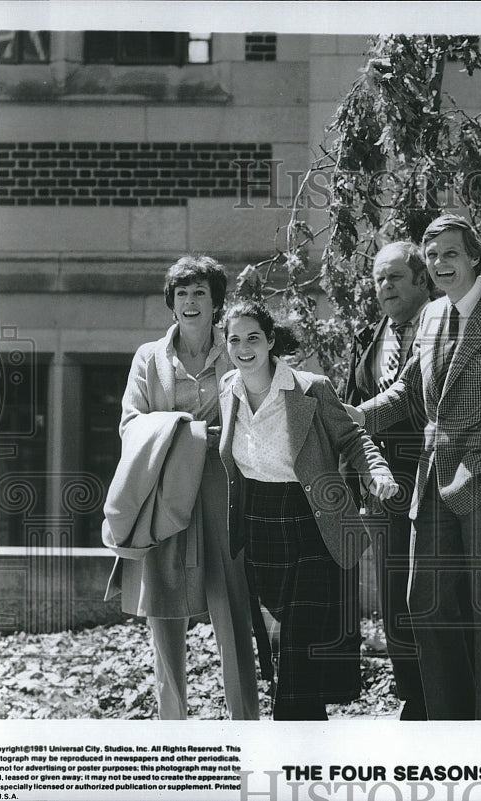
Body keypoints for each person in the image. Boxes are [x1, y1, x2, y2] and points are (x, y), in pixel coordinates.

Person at [349, 213, 481, 720]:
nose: (440, 263)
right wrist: (357, 414)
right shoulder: (433, 316)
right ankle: (447, 721)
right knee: (426, 603)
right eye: (434, 255)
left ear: (474, 257)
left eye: (450, 254)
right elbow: (407, 391)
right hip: (434, 476)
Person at [219, 299, 399, 720]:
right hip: (260, 524)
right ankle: (311, 747)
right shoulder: (229, 388)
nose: (244, 348)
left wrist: (377, 473)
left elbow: (353, 437)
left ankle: (286, 743)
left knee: (300, 639)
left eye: (253, 338)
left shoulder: (309, 387)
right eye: (234, 339)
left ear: (270, 341)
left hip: (315, 520)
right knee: (295, 644)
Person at [107, 254, 259, 720]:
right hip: (165, 487)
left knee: (231, 612)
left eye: (200, 293)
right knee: (165, 610)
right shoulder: (148, 358)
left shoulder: (236, 348)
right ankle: (173, 727)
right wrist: (190, 431)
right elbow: (130, 423)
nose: (191, 302)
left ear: (216, 302)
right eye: (182, 294)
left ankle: (246, 724)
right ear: (171, 303)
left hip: (222, 488)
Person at [343, 241, 431, 720]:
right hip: (380, 481)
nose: (386, 287)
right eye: (379, 278)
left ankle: (439, 694)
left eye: (396, 277)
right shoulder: (368, 336)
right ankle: (412, 696)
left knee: (428, 590)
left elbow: (412, 395)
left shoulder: (442, 329)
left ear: (422, 280)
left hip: (432, 471)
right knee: (393, 591)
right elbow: (350, 408)